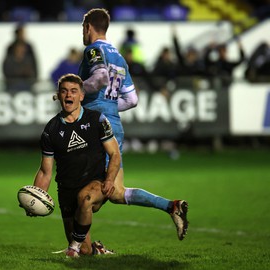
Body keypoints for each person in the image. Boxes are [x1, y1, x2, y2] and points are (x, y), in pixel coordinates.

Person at [78, 8, 189, 246]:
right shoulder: (119, 57)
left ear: (88, 27)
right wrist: (108, 106)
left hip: (95, 126)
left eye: (83, 28)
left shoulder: (93, 50)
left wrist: (78, 91)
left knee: (81, 190)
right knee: (117, 192)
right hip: (114, 125)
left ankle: (79, 248)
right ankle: (172, 206)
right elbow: (132, 100)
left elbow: (98, 79)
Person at [25, 73, 121, 257]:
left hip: (95, 183)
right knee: (84, 251)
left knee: (85, 199)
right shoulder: (51, 130)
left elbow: (114, 153)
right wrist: (34, 198)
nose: (69, 95)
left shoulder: (97, 120)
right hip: (67, 190)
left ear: (81, 96)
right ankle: (91, 248)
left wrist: (109, 180)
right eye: (64, 91)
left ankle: (74, 245)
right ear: (59, 95)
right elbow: (46, 172)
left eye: (73, 91)